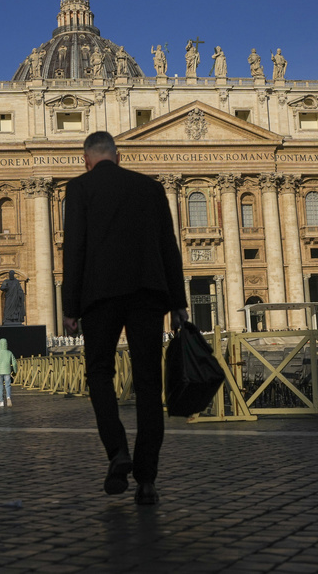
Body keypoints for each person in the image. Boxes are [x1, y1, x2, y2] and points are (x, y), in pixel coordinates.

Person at [62, 131, 188, 506]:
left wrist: (70, 308)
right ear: (118, 156)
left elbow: (75, 248)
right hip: (147, 294)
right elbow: (169, 246)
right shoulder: (150, 188)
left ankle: (117, 451)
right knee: (149, 382)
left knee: (99, 372)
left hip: (100, 296)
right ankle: (147, 479)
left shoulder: (80, 188)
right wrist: (179, 303)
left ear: (86, 159)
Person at [0, 338, 17, 407]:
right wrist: (15, 371)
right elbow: (14, 363)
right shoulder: (9, 353)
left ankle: (1, 402)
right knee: (8, 385)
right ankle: (8, 397)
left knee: (0, 386)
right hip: (7, 371)